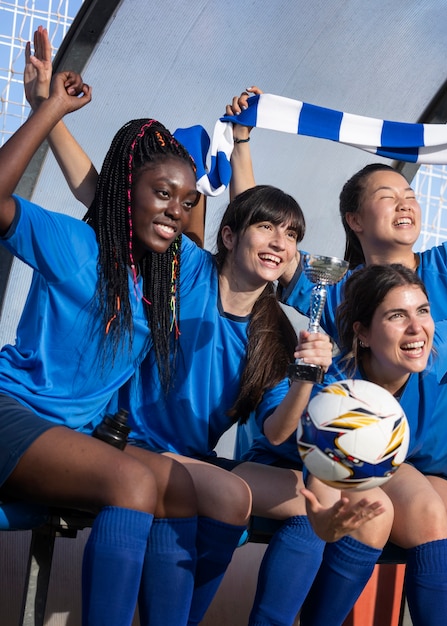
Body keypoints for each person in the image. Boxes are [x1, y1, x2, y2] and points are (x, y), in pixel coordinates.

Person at [24, 28, 393, 626]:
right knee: (211, 493)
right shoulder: (183, 268)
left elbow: (277, 432)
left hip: (188, 457)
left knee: (265, 497)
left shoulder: (275, 332)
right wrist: (48, 110)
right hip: (121, 438)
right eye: (268, 229)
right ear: (227, 236)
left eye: (293, 235)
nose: (281, 242)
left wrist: (305, 377)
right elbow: (105, 196)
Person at [228, 88, 447, 624]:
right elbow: (258, 233)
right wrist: (241, 141)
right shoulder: (337, 291)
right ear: (354, 219)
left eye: (409, 193)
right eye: (386, 195)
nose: (405, 202)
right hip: (417, 463)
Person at [0, 54, 210, 626]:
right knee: (132, 482)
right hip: (11, 410)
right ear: (127, 191)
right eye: (164, 193)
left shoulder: (171, 271)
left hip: (70, 434)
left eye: (187, 201)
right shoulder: (74, 245)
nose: (177, 210)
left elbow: (248, 261)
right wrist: (48, 111)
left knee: (183, 490)